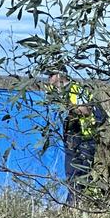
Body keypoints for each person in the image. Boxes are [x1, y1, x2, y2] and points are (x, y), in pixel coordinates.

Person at [47, 68, 97, 205]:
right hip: (69, 139)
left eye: (51, 75)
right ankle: (72, 205)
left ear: (60, 75)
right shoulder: (53, 93)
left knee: (82, 174)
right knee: (71, 174)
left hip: (84, 138)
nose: (48, 78)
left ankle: (86, 203)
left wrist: (67, 106)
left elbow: (86, 111)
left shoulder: (76, 89)